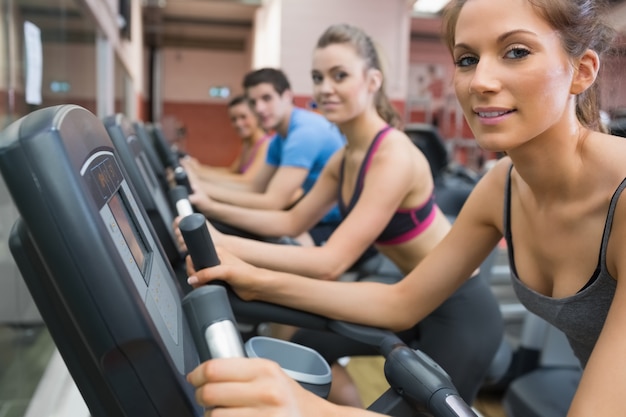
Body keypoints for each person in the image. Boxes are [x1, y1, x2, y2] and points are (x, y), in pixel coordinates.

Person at [188, 0, 626, 415]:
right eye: (467, 60)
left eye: (516, 51)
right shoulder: (501, 184)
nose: (480, 82)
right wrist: (254, 279)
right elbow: (401, 302)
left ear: (582, 71)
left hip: (465, 321)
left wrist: (310, 410)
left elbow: (331, 261)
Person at [182, 22, 503, 407]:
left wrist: (229, 250)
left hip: (459, 311)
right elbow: (289, 221)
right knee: (307, 349)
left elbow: (330, 262)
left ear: (372, 81)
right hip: (410, 297)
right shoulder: (346, 156)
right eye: (318, 77)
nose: (325, 88)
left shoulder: (392, 155)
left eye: (340, 76)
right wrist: (214, 232)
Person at [181, 68, 345, 246]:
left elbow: (272, 202)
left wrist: (208, 200)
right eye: (253, 102)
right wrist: (199, 186)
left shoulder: (304, 133)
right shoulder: (279, 139)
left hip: (337, 222)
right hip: (312, 214)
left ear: (287, 96)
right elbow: (254, 187)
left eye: (267, 98)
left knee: (278, 248)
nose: (259, 108)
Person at [183, 95, 273, 186]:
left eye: (243, 117)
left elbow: (247, 180)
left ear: (257, 116)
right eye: (233, 119)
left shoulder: (266, 145)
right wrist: (199, 168)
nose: (238, 123)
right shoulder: (247, 144)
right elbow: (231, 171)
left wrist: (198, 173)